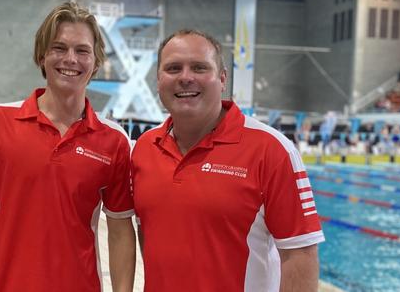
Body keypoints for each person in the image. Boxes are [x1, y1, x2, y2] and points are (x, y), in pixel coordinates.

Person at [0, 2, 136, 292]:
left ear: (96, 61)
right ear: (42, 55)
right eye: (59, 48)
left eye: (82, 50)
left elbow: (121, 231)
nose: (70, 59)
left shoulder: (114, 141)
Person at [131, 29, 325, 291]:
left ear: (222, 79)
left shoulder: (272, 150)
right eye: (173, 68)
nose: (185, 77)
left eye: (199, 68)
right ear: (158, 80)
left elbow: (300, 255)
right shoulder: (144, 148)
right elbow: (150, 234)